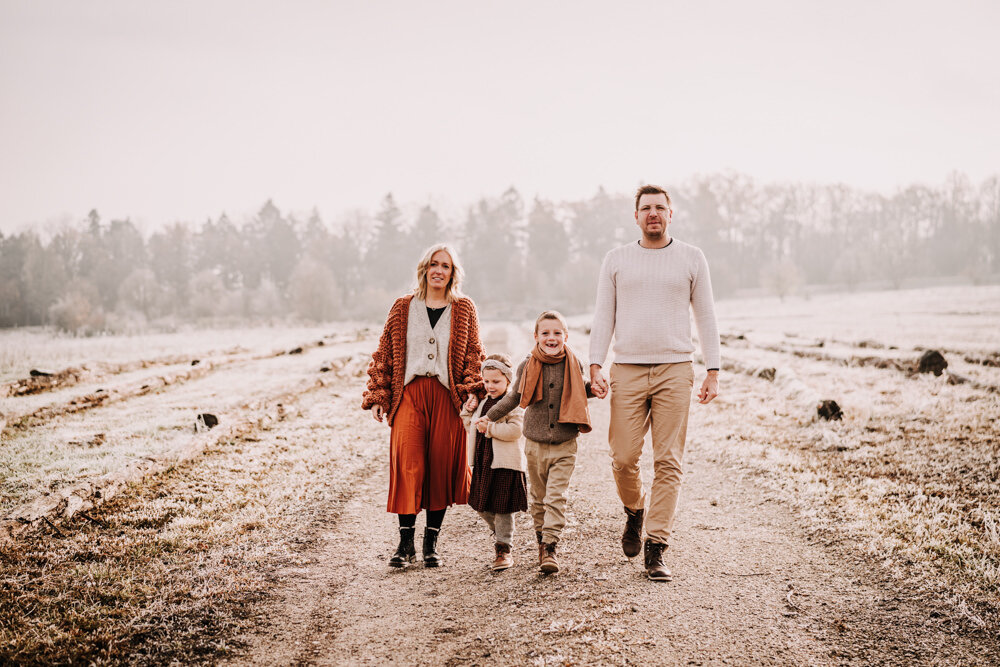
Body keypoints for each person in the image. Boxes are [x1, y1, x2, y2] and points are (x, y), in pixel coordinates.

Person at [589, 184, 721, 582]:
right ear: (635, 216)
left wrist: (713, 369)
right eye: (645, 208)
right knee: (624, 457)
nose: (653, 214)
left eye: (660, 208)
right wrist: (595, 364)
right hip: (626, 369)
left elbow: (707, 316)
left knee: (668, 460)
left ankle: (656, 545)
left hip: (675, 369)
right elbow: (603, 316)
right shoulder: (617, 260)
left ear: (670, 214)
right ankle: (635, 510)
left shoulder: (691, 258)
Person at [361, 243, 485, 569]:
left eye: (445, 265)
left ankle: (430, 544)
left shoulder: (464, 309)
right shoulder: (403, 307)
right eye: (433, 264)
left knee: (440, 467)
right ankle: (405, 545)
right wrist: (378, 395)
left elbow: (473, 354)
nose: (439, 270)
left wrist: (472, 390)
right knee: (408, 464)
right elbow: (384, 353)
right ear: (424, 268)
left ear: (453, 272)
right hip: (410, 396)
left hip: (446, 398)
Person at [482, 311, 595, 574]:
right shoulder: (527, 365)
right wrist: (489, 417)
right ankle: (540, 541)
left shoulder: (574, 363)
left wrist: (595, 389)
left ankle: (551, 546)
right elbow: (514, 397)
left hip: (566, 443)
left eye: (557, 333)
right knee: (539, 498)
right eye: (545, 333)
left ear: (566, 336)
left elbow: (581, 389)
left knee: (556, 497)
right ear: (536, 337)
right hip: (534, 444)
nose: (551, 338)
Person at [460, 353, 527, 572]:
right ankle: (498, 533)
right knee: (480, 504)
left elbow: (516, 430)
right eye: (486, 381)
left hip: (505, 463)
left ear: (508, 381)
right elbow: (470, 426)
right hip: (483, 461)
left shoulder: (512, 404)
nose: (490, 386)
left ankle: (504, 549)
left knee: (503, 507)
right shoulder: (483, 403)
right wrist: (468, 411)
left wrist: (490, 428)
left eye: (496, 381)